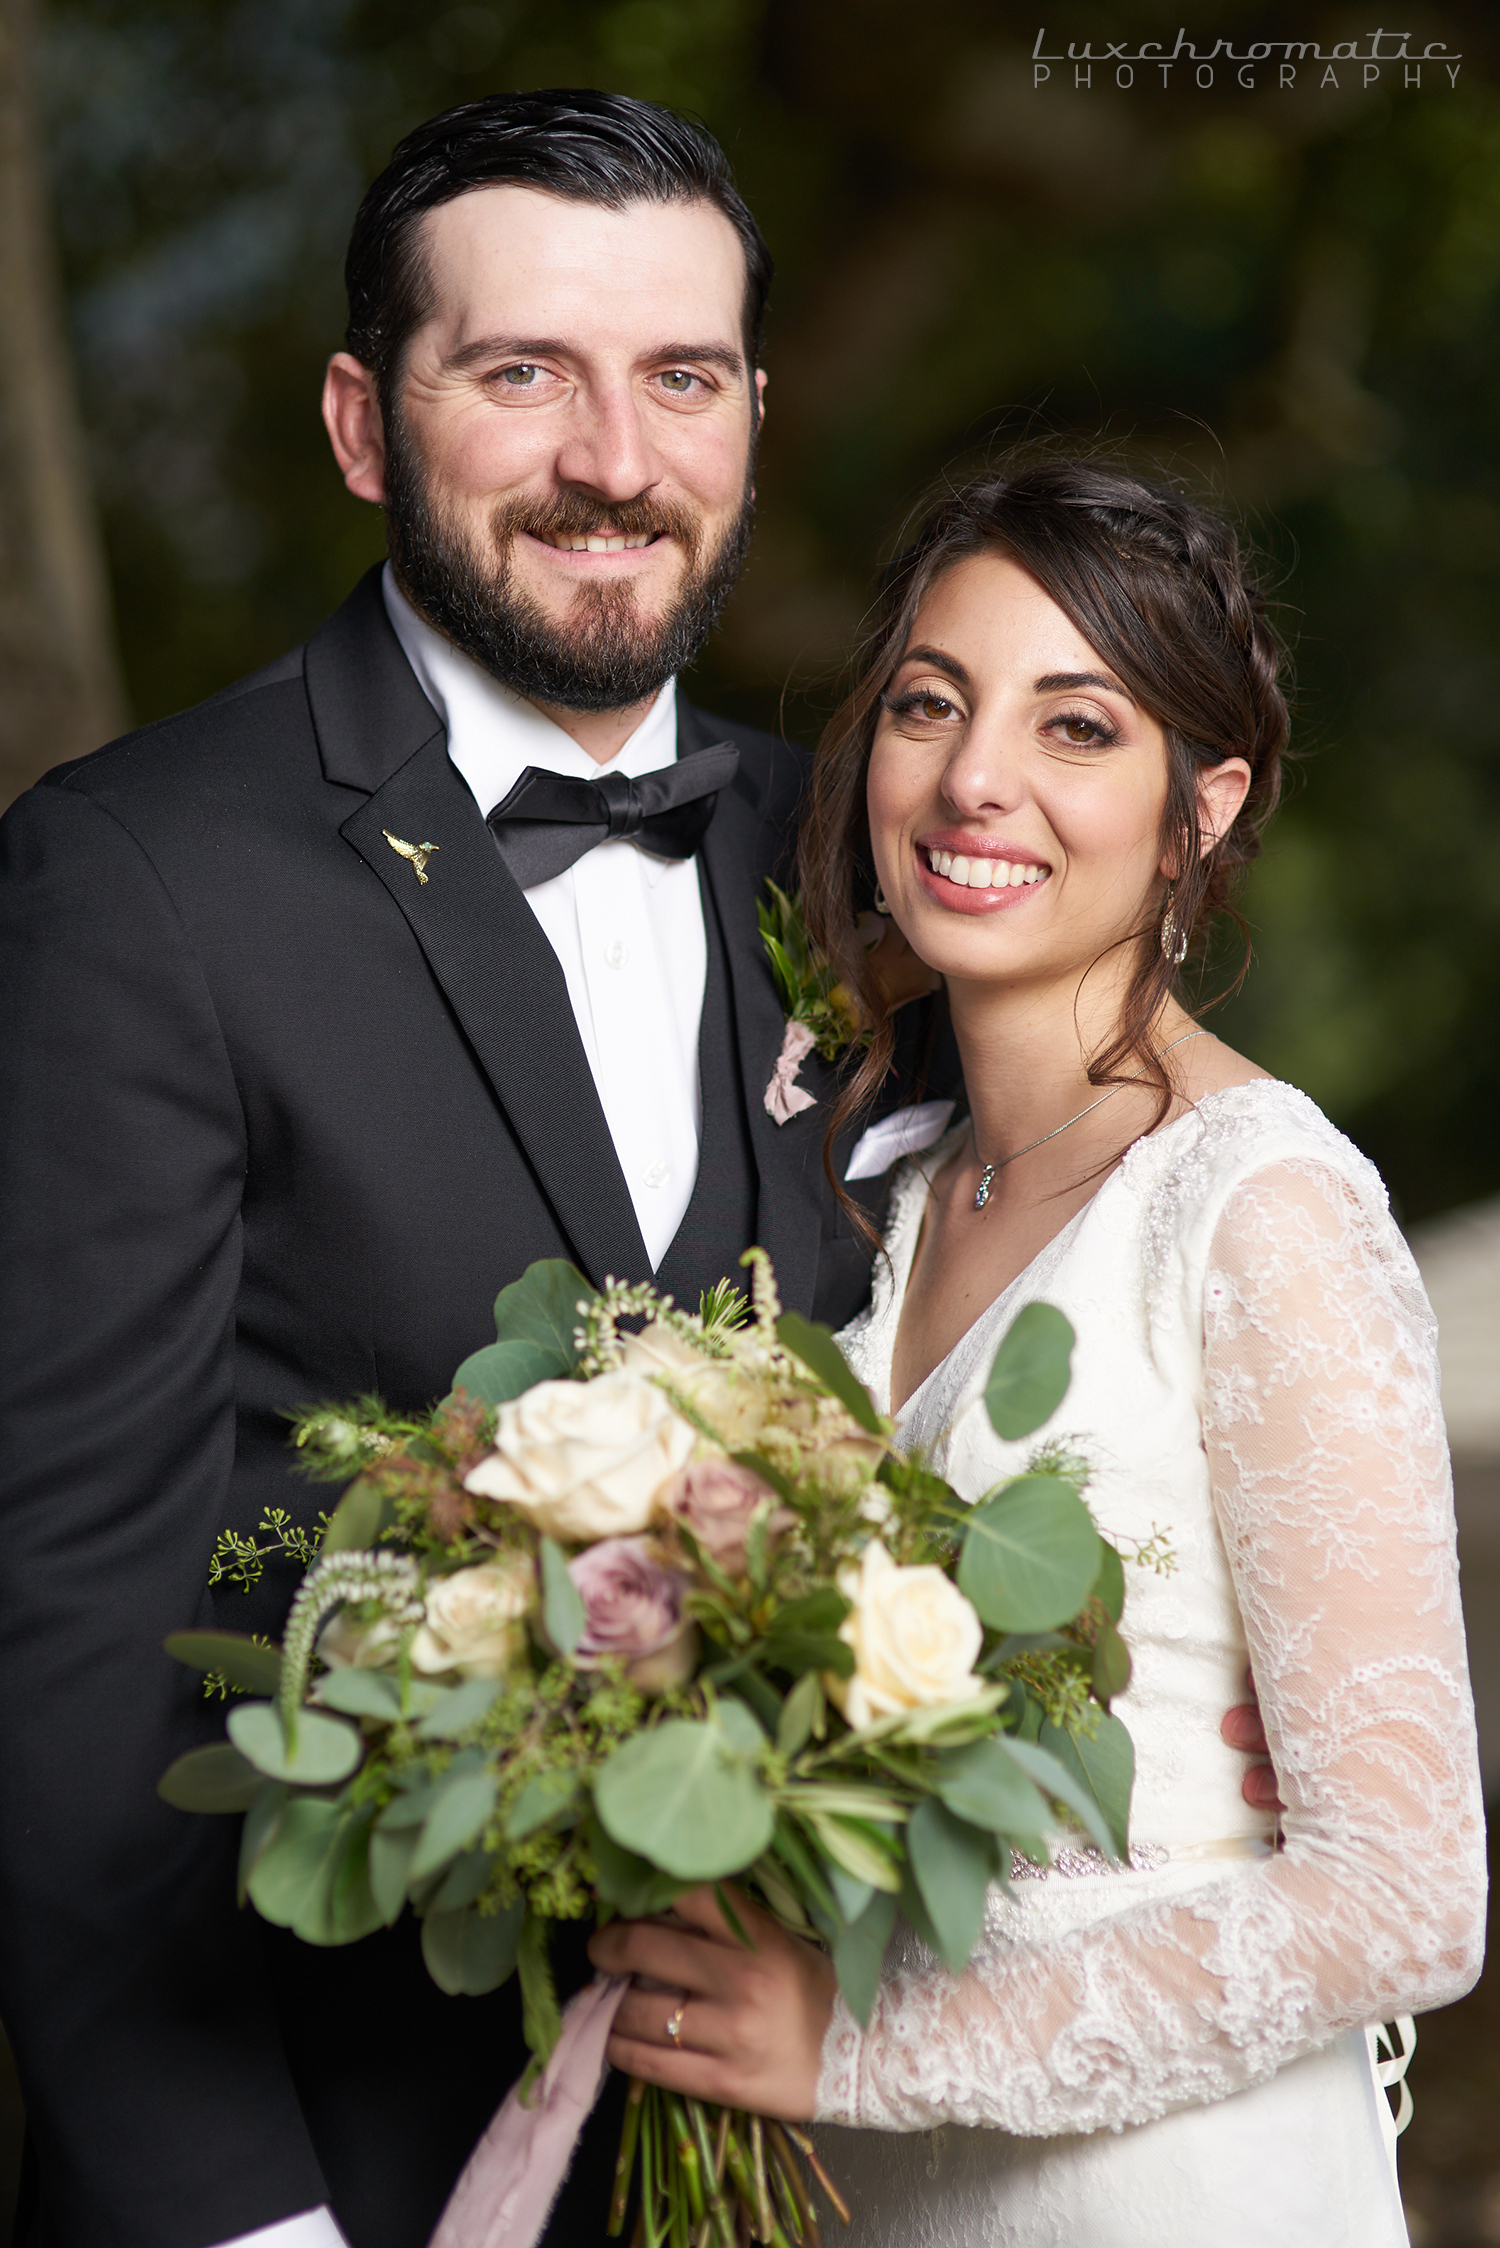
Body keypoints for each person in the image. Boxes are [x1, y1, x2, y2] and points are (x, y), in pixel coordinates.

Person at [0, 90, 954, 2248]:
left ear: (753, 418)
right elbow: (59, 1636)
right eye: (522, 373)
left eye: (680, 378)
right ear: (361, 420)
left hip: (802, 2158)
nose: (615, 460)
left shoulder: (869, 860)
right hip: (325, 2160)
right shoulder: (133, 874)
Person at [588, 459, 1487, 2245]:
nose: (974, 778)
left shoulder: (1264, 1211)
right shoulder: (903, 1187)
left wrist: (859, 2049)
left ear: (1201, 809)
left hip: (1167, 2194)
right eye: (931, 703)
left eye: (1078, 728)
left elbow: (1409, 1900)